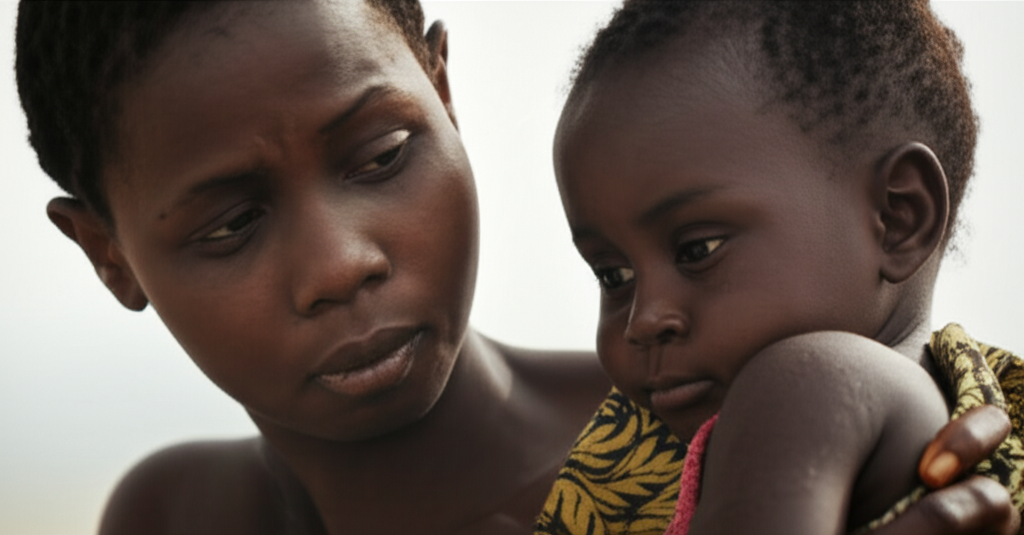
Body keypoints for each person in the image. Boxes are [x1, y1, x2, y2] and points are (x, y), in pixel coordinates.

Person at [10, 1, 1017, 534]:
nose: (341, 265)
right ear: (108, 254)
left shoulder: (727, 438)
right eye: (230, 224)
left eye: (379, 157)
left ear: (442, 88)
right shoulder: (177, 515)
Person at [537, 1, 1024, 534]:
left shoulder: (808, 384)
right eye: (614, 276)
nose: (643, 321)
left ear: (898, 217)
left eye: (699, 249)